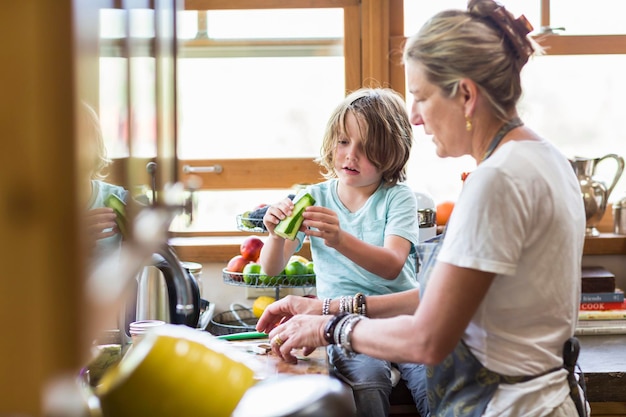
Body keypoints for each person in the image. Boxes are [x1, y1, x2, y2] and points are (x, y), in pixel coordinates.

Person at [256, 1, 589, 416]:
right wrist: (324, 307)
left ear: (466, 95)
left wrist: (327, 326)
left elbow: (428, 339)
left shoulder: (497, 181)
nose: (413, 117)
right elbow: (438, 302)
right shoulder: (546, 157)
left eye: (421, 97)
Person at [259, 87, 429, 417]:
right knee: (368, 380)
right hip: (341, 322)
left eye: (366, 148)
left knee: (431, 382)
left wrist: (340, 240)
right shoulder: (313, 197)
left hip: (400, 319)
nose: (351, 155)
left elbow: (393, 265)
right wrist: (275, 235)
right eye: (343, 142)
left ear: (391, 154)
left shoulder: (399, 198)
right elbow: (271, 269)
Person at [78, 101, 128, 264]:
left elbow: (151, 230)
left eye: (82, 138)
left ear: (97, 147)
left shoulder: (115, 197)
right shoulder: (37, 213)